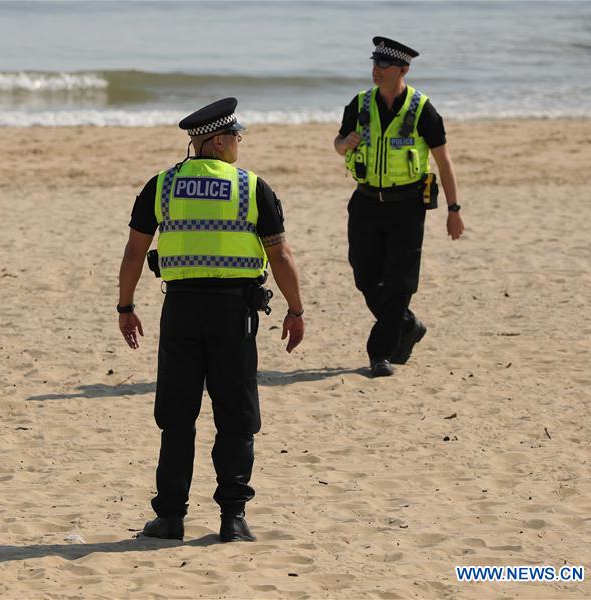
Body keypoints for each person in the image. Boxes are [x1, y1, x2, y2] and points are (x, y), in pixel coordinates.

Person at [117, 98, 304, 542]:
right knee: (236, 416)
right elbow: (279, 253)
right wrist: (296, 310)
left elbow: (134, 251)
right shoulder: (252, 187)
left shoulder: (160, 185)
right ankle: (233, 518)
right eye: (236, 136)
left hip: (180, 310)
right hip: (233, 313)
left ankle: (169, 518)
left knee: (177, 417)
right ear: (217, 141)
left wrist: (126, 306)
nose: (240, 142)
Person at [333, 37, 465, 378]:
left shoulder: (422, 110)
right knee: (365, 275)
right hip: (364, 202)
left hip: (407, 207)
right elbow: (339, 142)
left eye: (383, 66)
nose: (375, 71)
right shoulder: (360, 104)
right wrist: (343, 143)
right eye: (374, 64)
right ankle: (408, 325)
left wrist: (454, 209)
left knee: (399, 283)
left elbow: (444, 161)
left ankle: (380, 353)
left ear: (403, 70)